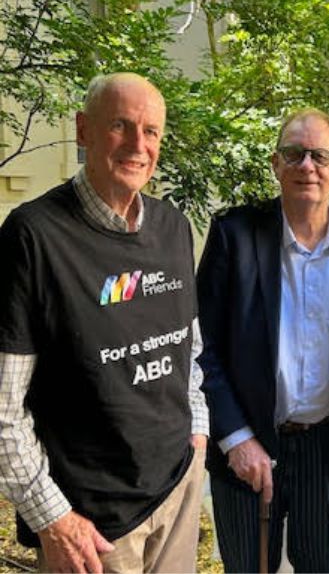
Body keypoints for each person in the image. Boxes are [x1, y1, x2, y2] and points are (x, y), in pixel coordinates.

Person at [0, 72, 209, 572]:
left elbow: (189, 350)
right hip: (92, 526)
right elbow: (3, 406)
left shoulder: (173, 228)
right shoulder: (34, 236)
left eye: (151, 131)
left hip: (177, 491)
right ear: (83, 129)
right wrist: (52, 518)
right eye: (120, 125)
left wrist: (197, 434)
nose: (138, 145)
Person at [197, 108, 329, 571]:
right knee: (249, 567)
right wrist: (235, 438)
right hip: (248, 442)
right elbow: (201, 346)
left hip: (328, 450)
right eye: (294, 154)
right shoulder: (235, 234)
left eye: (320, 155)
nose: (306, 166)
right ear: (276, 164)